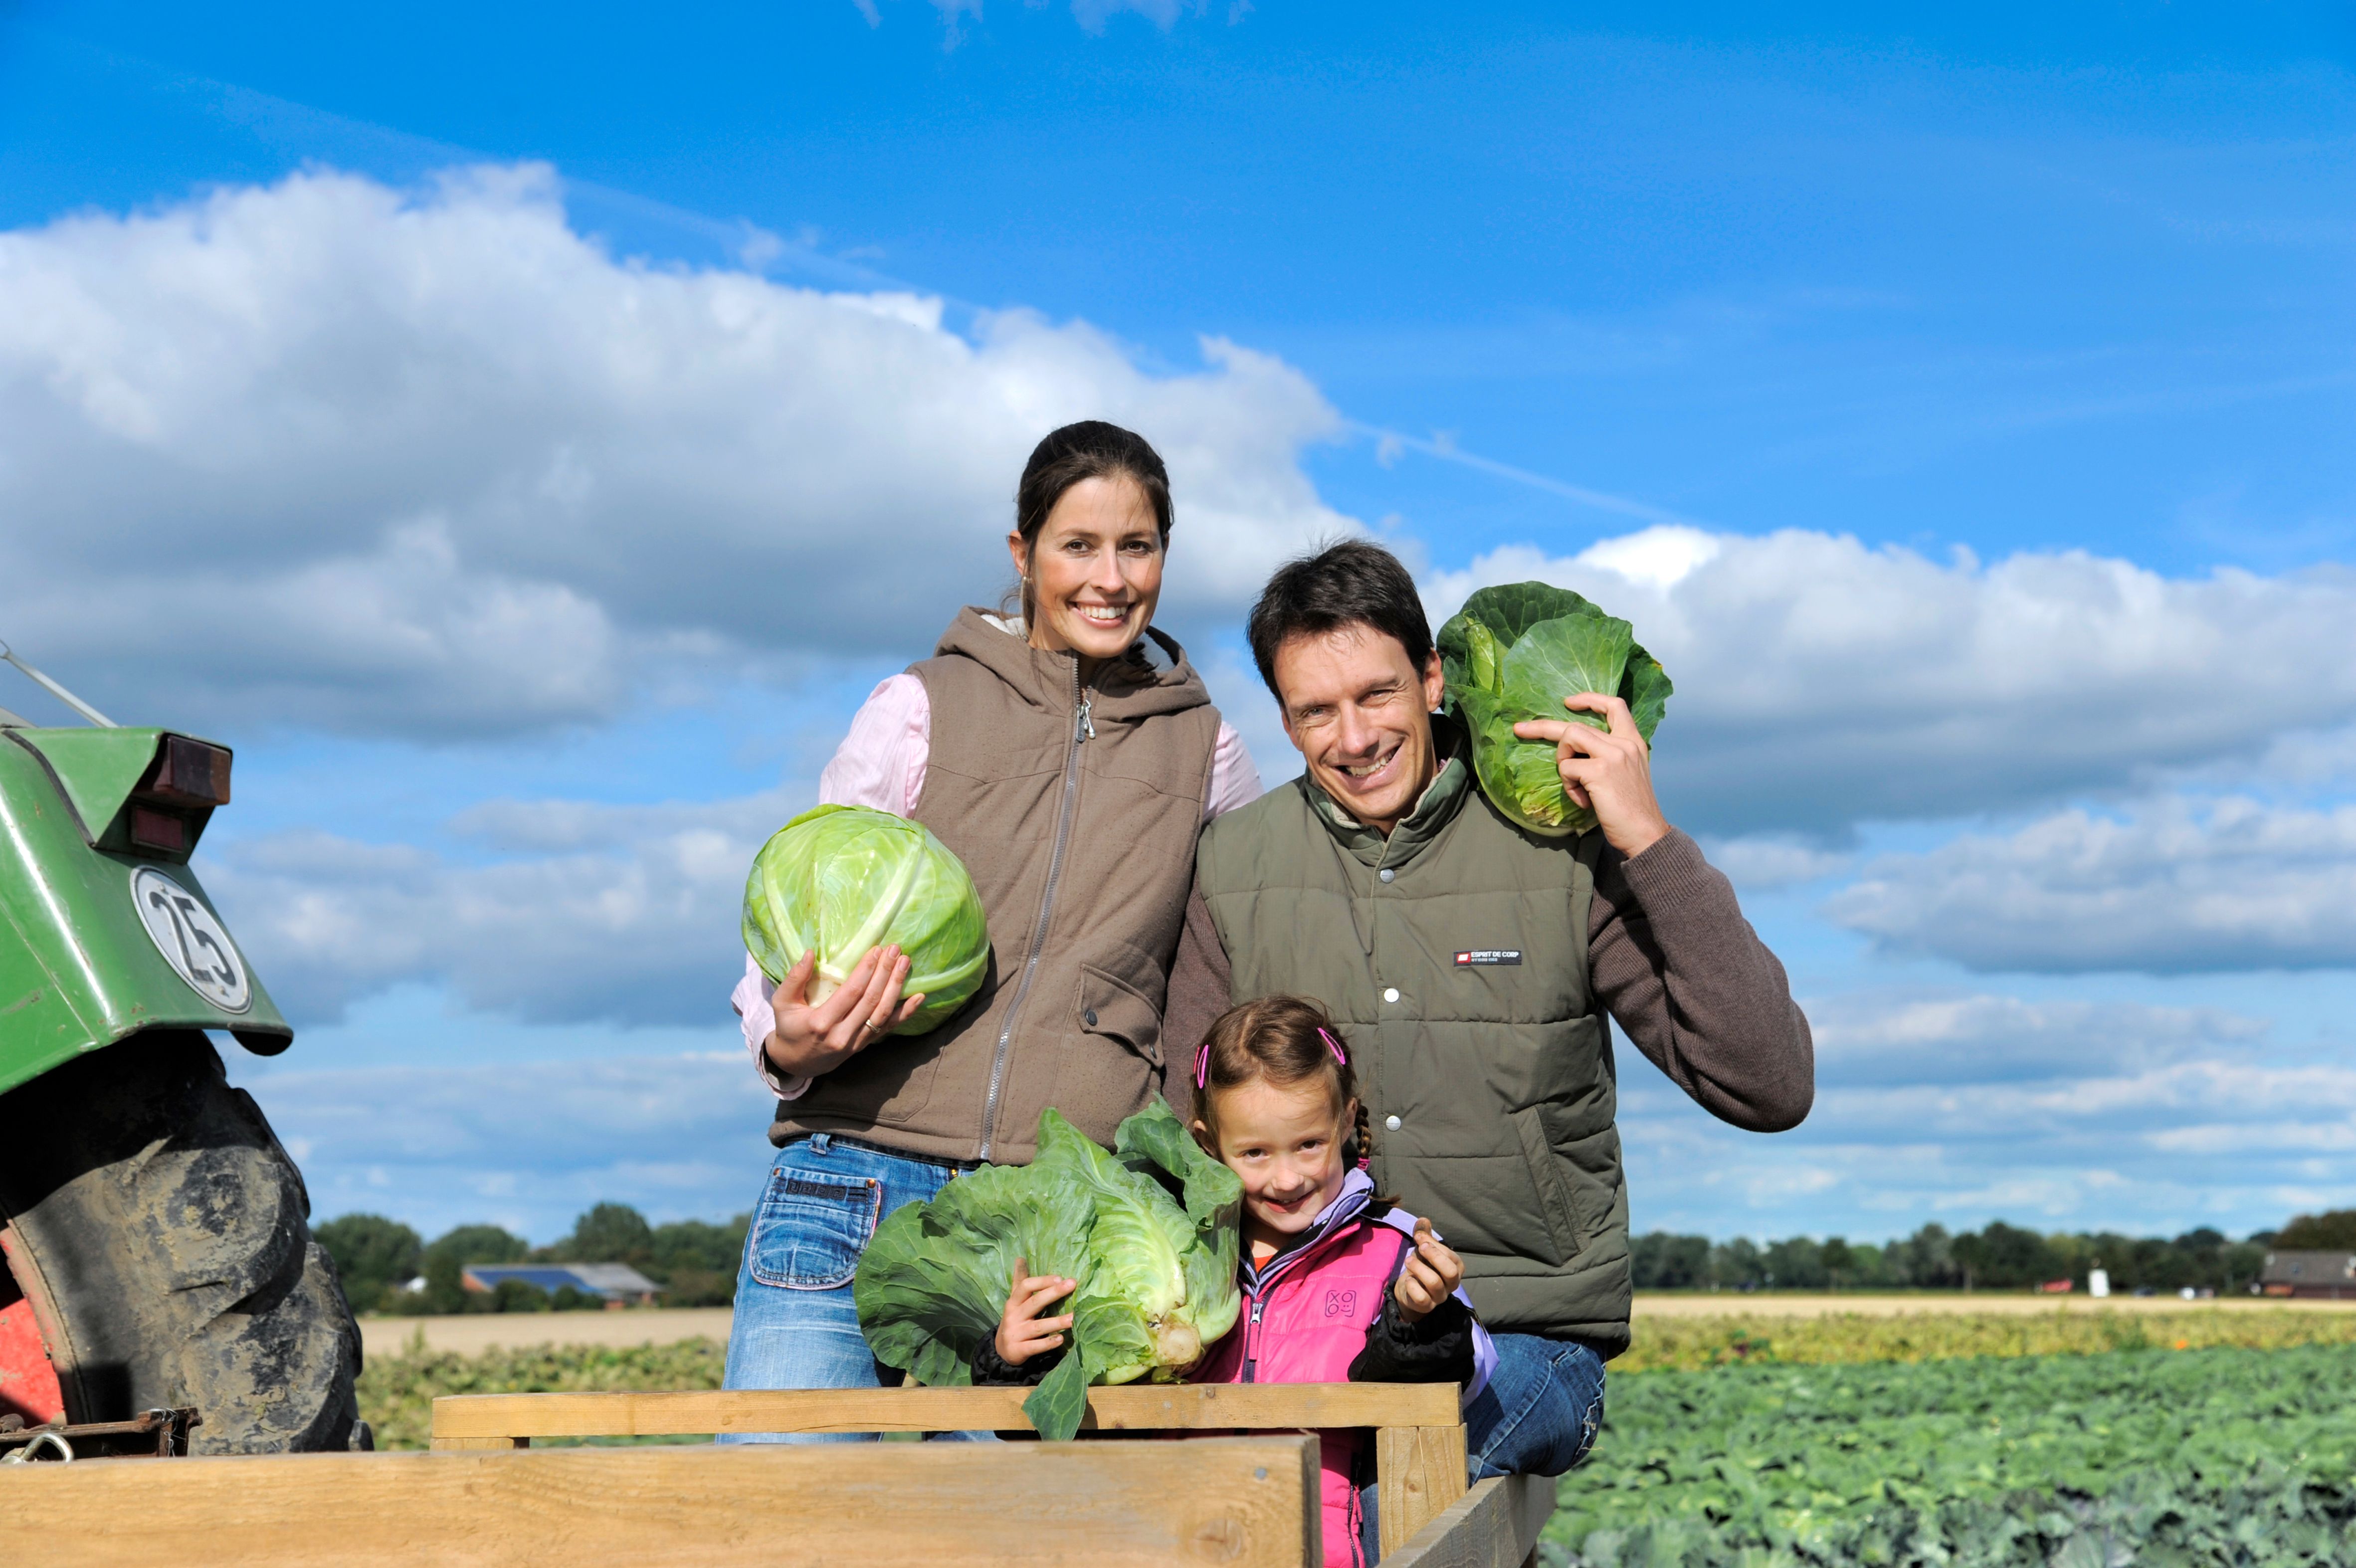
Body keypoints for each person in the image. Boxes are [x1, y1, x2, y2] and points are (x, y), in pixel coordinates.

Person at [1164, 539, 1814, 1518]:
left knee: (1384, 1502)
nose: (1353, 737)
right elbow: (1183, 1133)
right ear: (1284, 719)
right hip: (1315, 1338)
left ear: (1432, 680)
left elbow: (1769, 1084)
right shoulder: (1235, 865)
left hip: (1527, 1332)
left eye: (1376, 694)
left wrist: (1646, 839)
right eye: (1315, 712)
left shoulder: (1562, 850)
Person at [720, 421, 1262, 1427]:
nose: (1110, 576)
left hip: (1047, 1223)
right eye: (1078, 545)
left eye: (1136, 547)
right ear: (1021, 554)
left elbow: (1219, 977)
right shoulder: (918, 707)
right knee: (774, 1515)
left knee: (994, 1532)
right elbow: (807, 899)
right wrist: (783, 1040)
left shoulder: (1208, 754)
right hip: (851, 1177)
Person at [981, 995, 1486, 1568]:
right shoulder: (1173, 1255)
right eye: (1254, 1153)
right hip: (1167, 1550)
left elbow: (1471, 1390)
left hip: (1318, 1553)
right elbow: (1069, 1431)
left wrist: (1418, 1319)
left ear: (1346, 1119)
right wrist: (1018, 1361)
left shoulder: (1396, 1249)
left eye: (1309, 1145)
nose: (1287, 1177)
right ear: (1205, 1143)